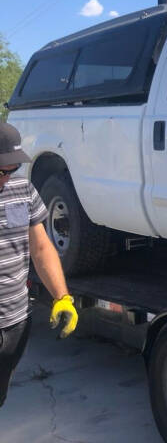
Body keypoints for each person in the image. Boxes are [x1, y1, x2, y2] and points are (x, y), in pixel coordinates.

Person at [0, 122, 77, 407]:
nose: (7, 177)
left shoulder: (22, 189)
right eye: (1, 170)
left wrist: (62, 297)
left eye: (12, 168)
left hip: (15, 323)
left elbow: (41, 246)